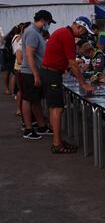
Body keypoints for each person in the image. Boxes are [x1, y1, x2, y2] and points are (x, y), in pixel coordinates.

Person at [40, 16, 95, 154]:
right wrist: (83, 83)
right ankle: (57, 144)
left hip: (50, 73)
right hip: (51, 74)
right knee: (57, 109)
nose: (84, 35)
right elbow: (72, 63)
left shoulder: (62, 32)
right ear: (79, 27)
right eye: (84, 31)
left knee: (55, 108)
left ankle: (57, 140)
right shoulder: (67, 36)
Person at [20, 11, 55, 140]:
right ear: (43, 20)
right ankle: (28, 129)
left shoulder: (37, 33)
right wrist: (35, 74)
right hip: (30, 72)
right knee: (28, 99)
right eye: (49, 22)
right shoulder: (32, 32)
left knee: (35, 100)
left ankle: (41, 126)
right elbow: (29, 55)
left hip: (35, 72)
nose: (49, 25)